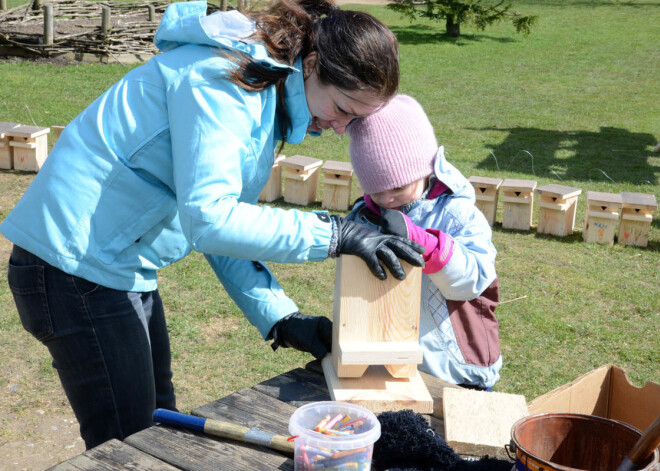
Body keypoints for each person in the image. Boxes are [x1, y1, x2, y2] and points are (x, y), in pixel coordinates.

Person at [0, 0, 425, 449]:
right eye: (343, 107)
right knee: (127, 443)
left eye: (355, 119)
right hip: (71, 267)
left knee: (156, 420)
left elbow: (222, 226)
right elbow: (210, 221)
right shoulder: (224, 81)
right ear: (313, 63)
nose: (341, 127)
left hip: (114, 264)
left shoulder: (261, 88)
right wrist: (335, 234)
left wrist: (281, 318)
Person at [345, 94, 502, 390]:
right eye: (376, 191)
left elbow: (473, 281)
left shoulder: (458, 215)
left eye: (398, 187)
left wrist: (424, 243)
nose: (387, 198)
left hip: (454, 372)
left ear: (424, 170)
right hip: (389, 367)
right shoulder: (365, 216)